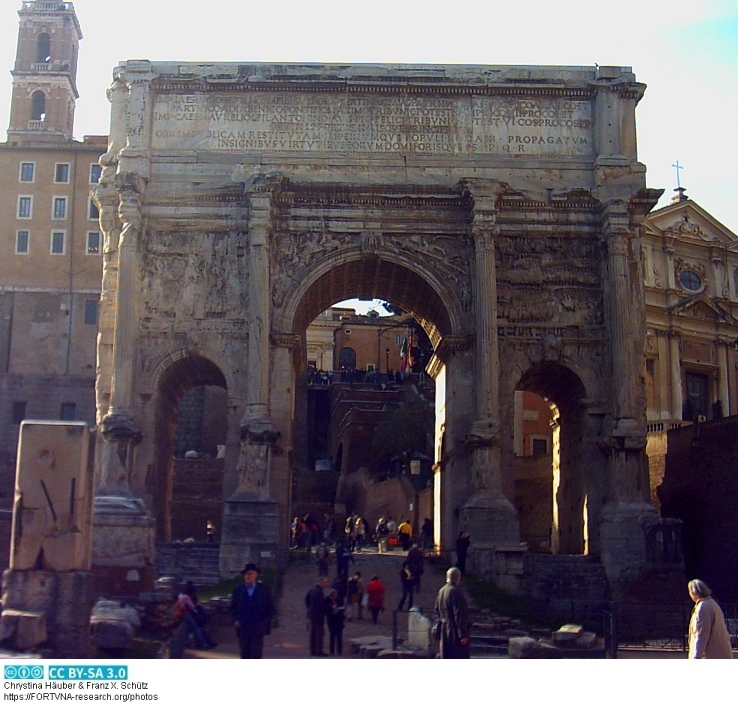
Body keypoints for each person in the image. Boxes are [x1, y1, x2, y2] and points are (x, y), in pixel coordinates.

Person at [229, 563, 276, 659]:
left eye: (250, 574)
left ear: (256, 575)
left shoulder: (264, 589)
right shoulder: (238, 589)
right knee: (244, 651)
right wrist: (235, 620)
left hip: (257, 625)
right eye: (246, 574)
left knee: (256, 652)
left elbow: (270, 609)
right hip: (243, 625)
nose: (248, 576)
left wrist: (264, 622)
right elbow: (232, 607)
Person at [687, 579, 733, 659]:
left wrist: (696, 657)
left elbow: (701, 634)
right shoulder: (712, 603)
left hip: (710, 655)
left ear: (694, 592)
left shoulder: (702, 607)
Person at [434, 566, 470, 659]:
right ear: (458, 578)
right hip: (453, 631)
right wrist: (462, 634)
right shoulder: (455, 591)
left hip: (444, 630)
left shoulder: (441, 591)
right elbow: (459, 614)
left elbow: (437, 611)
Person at [175, 581, 217, 651]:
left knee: (198, 628)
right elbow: (192, 607)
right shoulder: (186, 597)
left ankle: (204, 643)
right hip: (185, 614)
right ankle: (201, 644)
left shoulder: (181, 596)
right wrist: (197, 605)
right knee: (196, 628)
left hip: (184, 613)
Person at [307, 576, 330, 656]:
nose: (327, 584)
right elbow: (320, 604)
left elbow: (307, 601)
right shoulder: (318, 592)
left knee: (313, 633)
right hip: (317, 615)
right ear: (321, 583)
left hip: (313, 614)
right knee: (319, 633)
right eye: (325, 582)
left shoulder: (313, 590)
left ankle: (313, 650)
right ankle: (318, 651)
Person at [326, 589, 346, 656]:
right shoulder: (327, 601)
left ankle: (339, 651)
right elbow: (327, 611)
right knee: (332, 636)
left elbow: (342, 608)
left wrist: (340, 609)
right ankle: (332, 651)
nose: (335, 597)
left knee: (339, 637)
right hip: (332, 621)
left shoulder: (339, 600)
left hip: (339, 621)